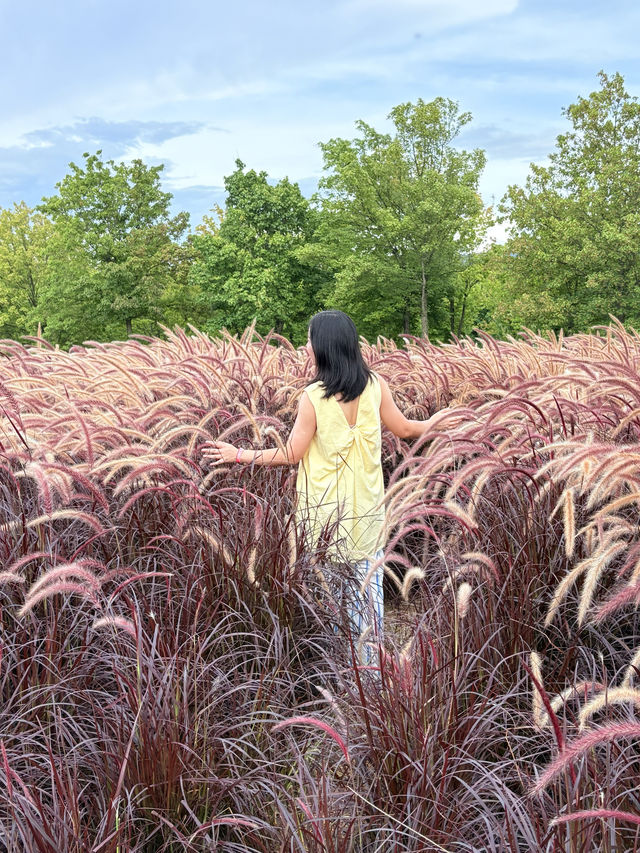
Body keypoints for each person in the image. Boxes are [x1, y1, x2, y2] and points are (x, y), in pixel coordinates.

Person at [203, 310, 439, 665]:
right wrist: (440, 422)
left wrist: (238, 454)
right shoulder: (375, 385)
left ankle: (341, 670)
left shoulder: (313, 396)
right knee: (368, 594)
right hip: (368, 510)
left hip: (326, 515)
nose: (305, 346)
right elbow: (405, 429)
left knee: (331, 598)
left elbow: (291, 453)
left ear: (325, 346)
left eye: (309, 339)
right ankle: (370, 673)